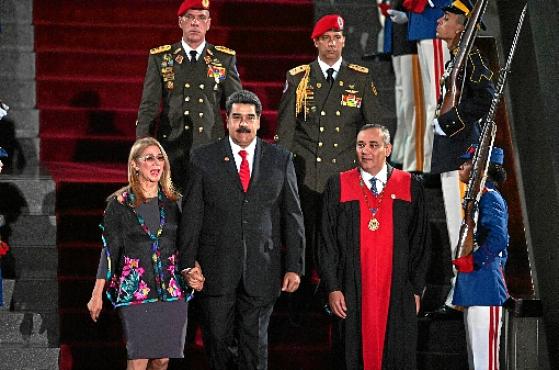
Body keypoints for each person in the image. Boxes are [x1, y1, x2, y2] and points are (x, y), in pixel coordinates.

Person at [178, 90, 306, 370]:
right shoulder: (203, 158)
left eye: (250, 117)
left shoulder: (280, 159)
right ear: (227, 121)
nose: (243, 123)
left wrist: (294, 266)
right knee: (217, 344)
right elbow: (192, 216)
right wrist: (187, 264)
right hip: (215, 271)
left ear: (259, 121)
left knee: (254, 348)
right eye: (237, 117)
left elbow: (292, 216)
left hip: (262, 270)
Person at [275, 13, 383, 281]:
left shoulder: (360, 78)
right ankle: (302, 295)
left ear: (344, 41)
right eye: (326, 39)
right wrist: (281, 175)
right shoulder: (299, 78)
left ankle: (334, 290)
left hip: (345, 174)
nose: (332, 44)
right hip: (308, 173)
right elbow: (286, 132)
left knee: (341, 240)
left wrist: (373, 173)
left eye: (337, 38)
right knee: (306, 237)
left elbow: (374, 130)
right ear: (316, 43)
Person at [318, 124, 430, 370]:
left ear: (388, 149)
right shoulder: (339, 185)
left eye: (373, 145)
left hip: (397, 291)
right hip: (351, 289)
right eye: (360, 145)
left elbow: (420, 243)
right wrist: (333, 287)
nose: (365, 151)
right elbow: (326, 242)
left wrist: (416, 288)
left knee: (396, 353)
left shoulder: (409, 186)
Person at [87, 137, 190, 370]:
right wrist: (97, 293)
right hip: (136, 291)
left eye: (160, 158)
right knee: (139, 358)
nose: (156, 163)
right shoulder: (119, 204)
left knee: (162, 360)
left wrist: (196, 270)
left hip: (171, 290)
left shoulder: (175, 203)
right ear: (135, 164)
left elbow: (188, 243)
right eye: (149, 158)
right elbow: (109, 249)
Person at [428, 0, 495, 315]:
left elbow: (486, 99)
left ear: (462, 28)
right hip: (449, 152)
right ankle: (458, 292)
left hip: (460, 153)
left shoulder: (472, 58)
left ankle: (462, 294)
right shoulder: (457, 58)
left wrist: (449, 121)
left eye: (447, 17)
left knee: (461, 224)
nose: (440, 21)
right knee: (453, 224)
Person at [136, 0, 242, 191]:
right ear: (180, 22)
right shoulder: (162, 58)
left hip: (210, 147)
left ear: (208, 24)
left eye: (201, 18)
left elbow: (236, 108)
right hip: (171, 147)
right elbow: (149, 106)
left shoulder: (223, 59)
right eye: (189, 17)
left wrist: (238, 147)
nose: (195, 23)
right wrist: (142, 146)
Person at [452, 145, 509, 370]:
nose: (462, 166)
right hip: (476, 285)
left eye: (467, 162)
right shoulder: (478, 197)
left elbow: (499, 239)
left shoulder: (490, 197)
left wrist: (473, 261)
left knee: (485, 362)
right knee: (476, 359)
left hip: (485, 285)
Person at [381, 1, 425, 171]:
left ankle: (412, 155)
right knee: (403, 103)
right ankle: (401, 152)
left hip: (411, 44)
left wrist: (408, 18)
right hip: (399, 44)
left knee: (411, 103)